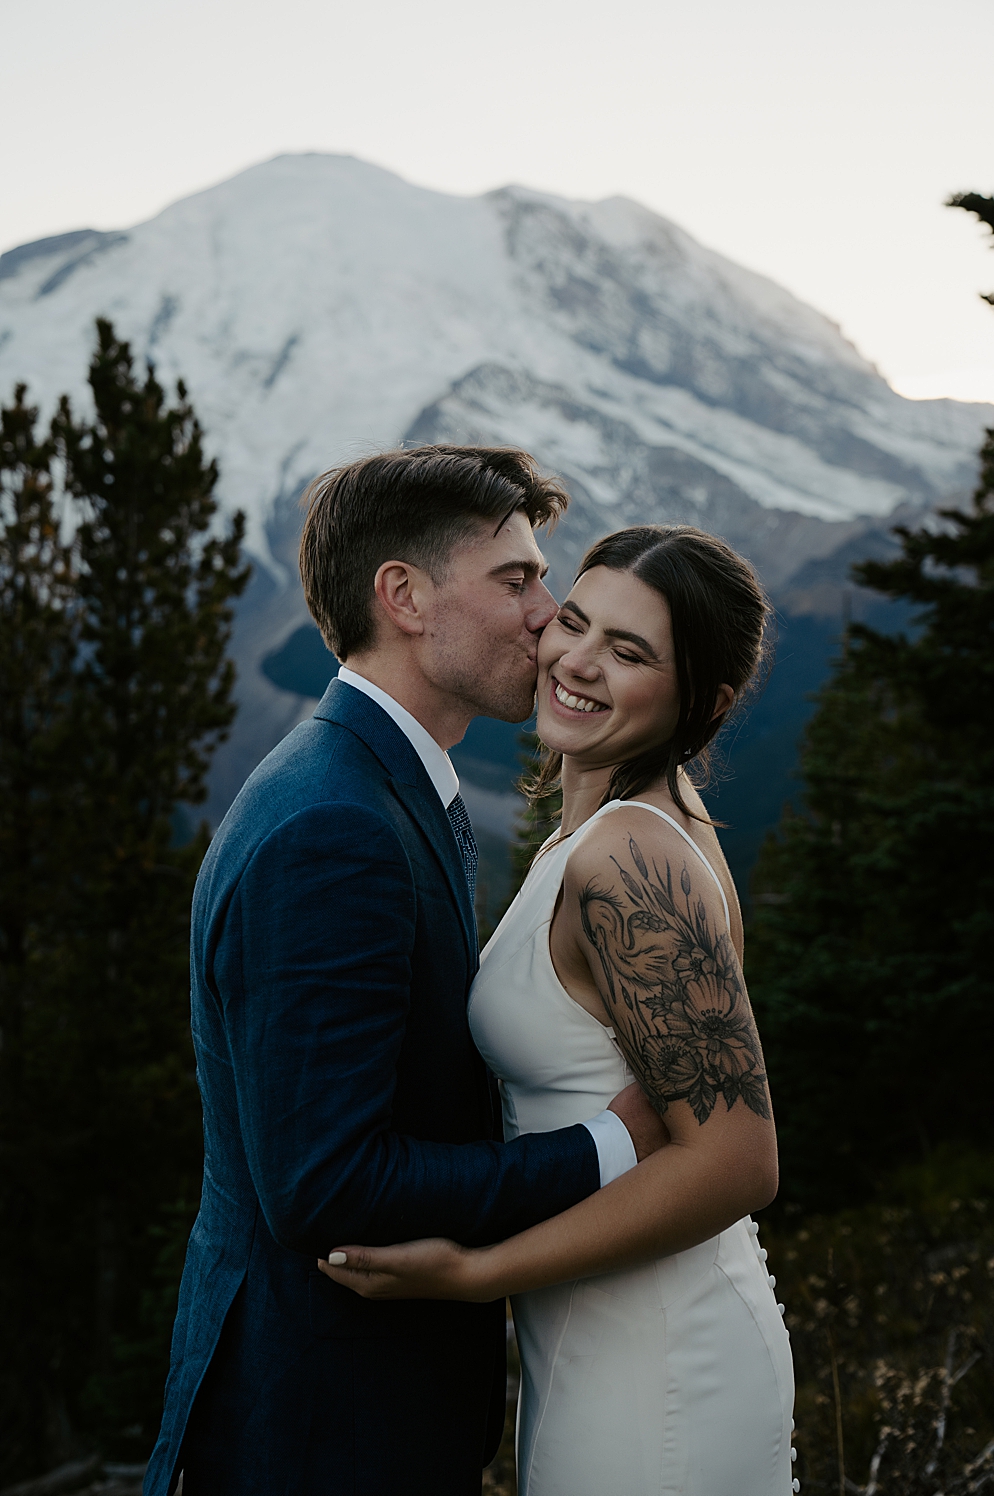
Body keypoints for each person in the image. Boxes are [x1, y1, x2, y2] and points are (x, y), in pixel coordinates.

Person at [144, 448, 669, 1496]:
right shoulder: (334, 824)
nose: (547, 614)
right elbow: (329, 1185)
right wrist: (612, 1143)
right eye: (515, 580)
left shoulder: (376, 783)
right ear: (404, 596)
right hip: (319, 1434)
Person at [319, 525, 797, 1496]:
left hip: (657, 1364)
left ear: (698, 703)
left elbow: (737, 1159)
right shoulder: (602, 835)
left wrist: (477, 1272)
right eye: (573, 623)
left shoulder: (631, 858)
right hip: (603, 1342)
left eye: (629, 652)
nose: (577, 662)